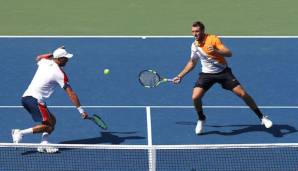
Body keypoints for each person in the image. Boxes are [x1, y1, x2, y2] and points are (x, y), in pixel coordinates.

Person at [173, 21, 273, 135]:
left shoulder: (213, 39)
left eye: (197, 31)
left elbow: (229, 53)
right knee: (195, 97)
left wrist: (216, 51)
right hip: (206, 75)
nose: (195, 34)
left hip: (223, 73)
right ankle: (201, 118)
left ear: (203, 31)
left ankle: (262, 117)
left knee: (243, 94)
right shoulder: (194, 45)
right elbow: (192, 63)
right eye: (193, 32)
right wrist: (180, 75)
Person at [11, 46, 89, 153]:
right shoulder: (59, 74)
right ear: (59, 59)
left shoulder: (44, 62)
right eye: (65, 58)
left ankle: (44, 143)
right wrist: (81, 110)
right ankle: (19, 133)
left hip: (26, 98)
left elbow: (38, 57)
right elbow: (71, 93)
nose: (67, 60)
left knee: (52, 121)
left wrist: (54, 53)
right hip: (35, 100)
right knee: (48, 126)